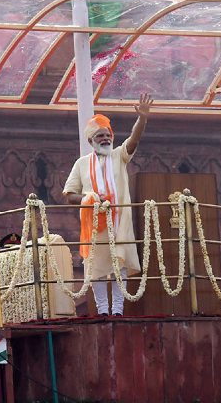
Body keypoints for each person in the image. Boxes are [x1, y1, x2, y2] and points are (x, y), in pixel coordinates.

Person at [63, 92, 153, 316]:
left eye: (107, 135)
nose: (105, 139)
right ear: (91, 141)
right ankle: (103, 309)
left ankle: (118, 310)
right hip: (94, 225)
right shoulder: (82, 164)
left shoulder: (118, 156)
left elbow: (134, 141)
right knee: (96, 267)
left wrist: (141, 119)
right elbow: (69, 194)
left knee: (119, 264)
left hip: (119, 221)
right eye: (100, 136)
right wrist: (90, 199)